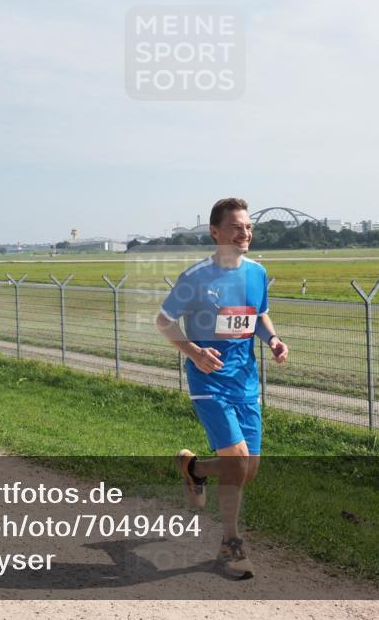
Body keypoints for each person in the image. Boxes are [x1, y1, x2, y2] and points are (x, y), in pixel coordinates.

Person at [155, 197, 289, 579]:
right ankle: (230, 545)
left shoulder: (257, 273)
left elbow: (258, 315)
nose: (244, 233)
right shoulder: (196, 277)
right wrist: (194, 352)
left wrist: (273, 339)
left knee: (249, 468)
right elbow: (164, 322)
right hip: (208, 380)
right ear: (215, 232)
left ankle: (193, 468)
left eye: (247, 227)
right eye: (235, 227)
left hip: (245, 381)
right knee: (237, 462)